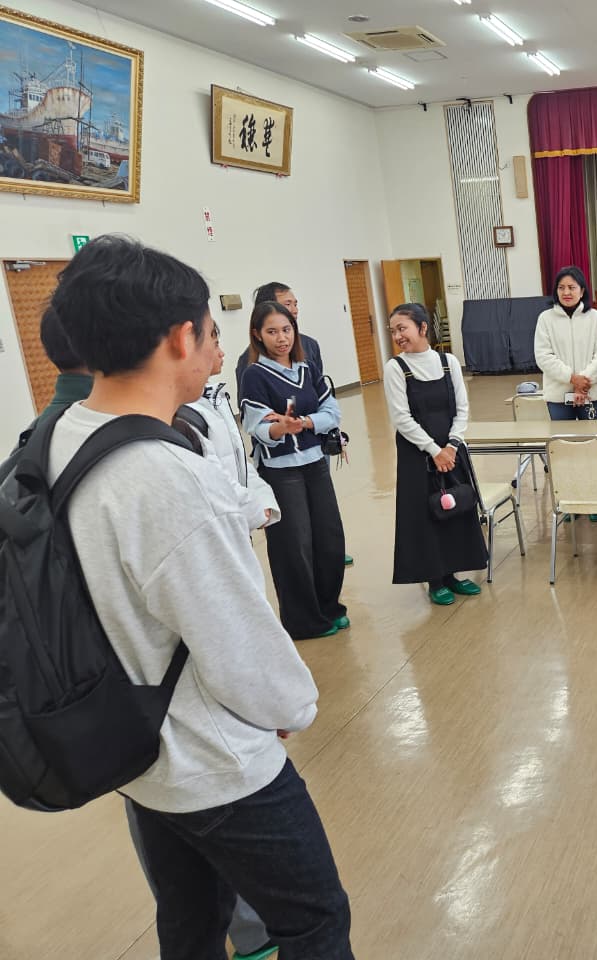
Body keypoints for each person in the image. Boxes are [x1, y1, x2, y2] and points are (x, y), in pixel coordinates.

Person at [46, 235, 352, 957]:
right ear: (179, 337)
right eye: (213, 334)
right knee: (314, 918)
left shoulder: (62, 437)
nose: (219, 353)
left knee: (189, 923)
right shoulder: (159, 477)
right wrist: (287, 709)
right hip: (216, 763)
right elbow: (237, 643)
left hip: (139, 754)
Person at [240, 301, 348, 640]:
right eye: (272, 331)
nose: (281, 338)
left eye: (286, 330)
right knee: (293, 545)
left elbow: (331, 410)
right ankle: (303, 621)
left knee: (329, 539)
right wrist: (280, 430)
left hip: (315, 463)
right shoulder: (254, 375)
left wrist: (304, 422)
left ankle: (329, 606)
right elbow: (257, 426)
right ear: (258, 335)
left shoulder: (307, 368)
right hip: (281, 471)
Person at [384, 303, 488, 606]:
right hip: (418, 454)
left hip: (451, 450)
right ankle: (435, 579)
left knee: (455, 507)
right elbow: (401, 418)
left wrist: (451, 446)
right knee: (426, 515)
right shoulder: (396, 368)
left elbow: (462, 408)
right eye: (393, 331)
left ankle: (454, 574)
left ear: (423, 327)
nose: (397, 335)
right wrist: (433, 450)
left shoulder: (448, 362)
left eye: (402, 328)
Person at [187, 322, 281, 533]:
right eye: (215, 345)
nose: (221, 353)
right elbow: (214, 476)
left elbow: (238, 460)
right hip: (223, 524)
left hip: (239, 521)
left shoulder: (215, 396)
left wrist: (263, 499)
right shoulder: (186, 413)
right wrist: (254, 510)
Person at [535, 265, 597, 422]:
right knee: (564, 442)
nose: (566, 292)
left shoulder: (595, 317)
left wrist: (583, 382)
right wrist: (571, 378)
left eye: (571, 287)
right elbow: (544, 356)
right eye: (561, 288)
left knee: (592, 441)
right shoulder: (545, 319)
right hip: (558, 395)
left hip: (590, 392)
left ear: (582, 291)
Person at [235, 281, 324, 391]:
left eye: (295, 304)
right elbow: (247, 402)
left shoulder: (310, 345)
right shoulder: (249, 359)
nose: (295, 310)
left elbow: (320, 391)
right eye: (287, 304)